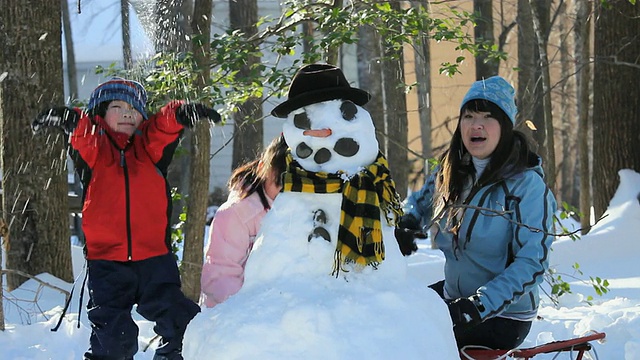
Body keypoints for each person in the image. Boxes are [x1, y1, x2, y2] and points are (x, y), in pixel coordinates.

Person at [31, 77, 220, 360]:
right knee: (113, 340)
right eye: (118, 106)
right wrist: (68, 119)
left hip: (154, 260)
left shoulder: (150, 150)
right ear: (100, 114)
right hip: (107, 264)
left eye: (134, 108)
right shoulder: (95, 152)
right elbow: (82, 131)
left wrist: (181, 114)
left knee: (183, 321)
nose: (128, 113)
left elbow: (163, 126)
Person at [396, 76, 557, 350]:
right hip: (456, 296)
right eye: (468, 115)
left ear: (504, 126)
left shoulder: (526, 186)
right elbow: (421, 200)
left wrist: (479, 305)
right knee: (391, 316)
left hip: (504, 314)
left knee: (416, 342)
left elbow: (533, 263)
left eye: (487, 116)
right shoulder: (454, 169)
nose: (476, 124)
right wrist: (409, 220)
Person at [200, 134, 288, 307]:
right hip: (232, 313)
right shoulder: (236, 214)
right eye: (280, 181)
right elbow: (219, 277)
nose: (286, 191)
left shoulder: (295, 208)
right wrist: (251, 310)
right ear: (264, 168)